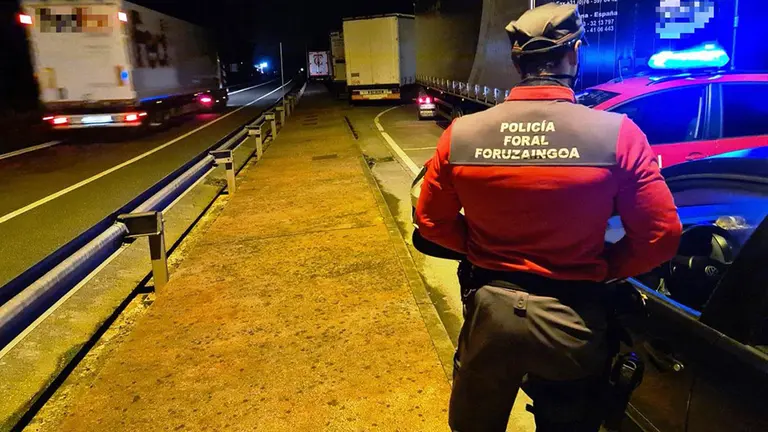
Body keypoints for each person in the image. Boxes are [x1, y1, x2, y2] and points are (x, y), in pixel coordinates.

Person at [414, 3, 683, 431]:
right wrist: (607, 267)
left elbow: (430, 222)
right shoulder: (618, 135)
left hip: (490, 316)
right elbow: (661, 235)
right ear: (573, 54)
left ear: (517, 60)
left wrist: (480, 249)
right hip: (574, 321)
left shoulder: (461, 134)